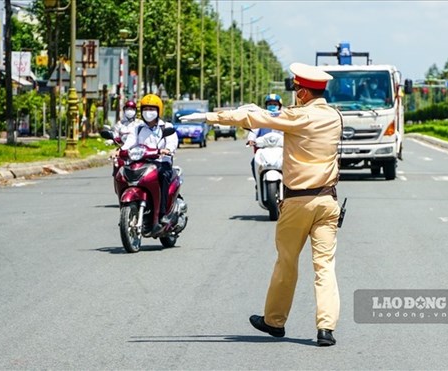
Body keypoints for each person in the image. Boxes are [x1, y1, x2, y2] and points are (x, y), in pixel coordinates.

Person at [181, 63, 342, 346]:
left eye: (295, 89)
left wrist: (210, 117)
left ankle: (274, 321)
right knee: (325, 267)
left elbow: (255, 117)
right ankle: (325, 328)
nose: (294, 94)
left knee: (287, 262)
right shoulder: (335, 117)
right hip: (328, 201)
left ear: (303, 92)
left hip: (298, 202)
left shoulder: (297, 117)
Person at [121, 94, 178, 234]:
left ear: (159, 110)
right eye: (146, 108)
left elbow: (172, 141)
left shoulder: (166, 127)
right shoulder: (138, 128)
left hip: (161, 162)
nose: (149, 112)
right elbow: (130, 141)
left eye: (152, 108)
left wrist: (168, 150)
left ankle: (163, 213)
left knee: (163, 176)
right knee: (123, 174)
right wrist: (120, 150)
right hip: (142, 161)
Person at [247, 93, 284, 181]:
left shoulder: (284, 117)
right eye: (270, 104)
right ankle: (258, 182)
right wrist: (251, 139)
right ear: (266, 106)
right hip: (264, 149)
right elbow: (254, 130)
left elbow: (290, 130)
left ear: (279, 106)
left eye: (275, 104)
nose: (272, 106)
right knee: (253, 163)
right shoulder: (261, 117)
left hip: (281, 149)